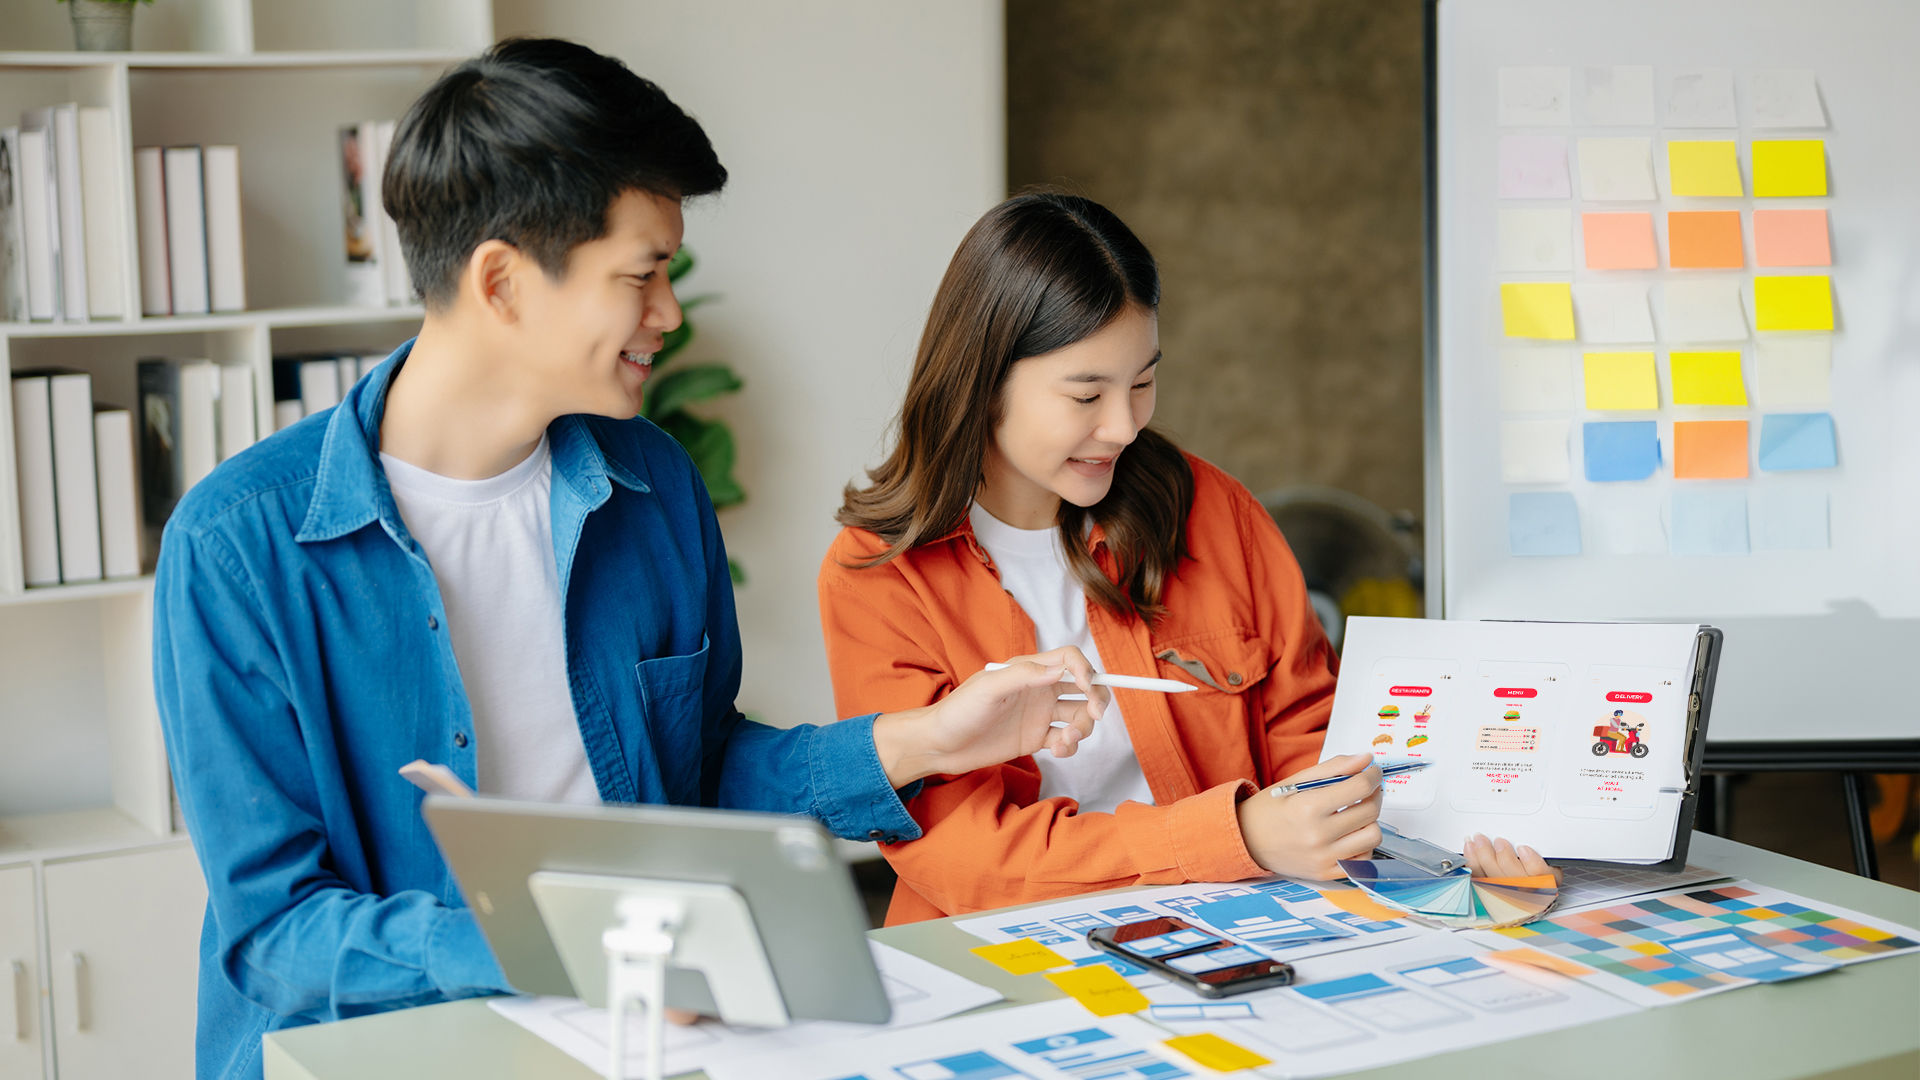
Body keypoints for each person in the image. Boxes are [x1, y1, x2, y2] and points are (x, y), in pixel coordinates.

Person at [152, 42, 1104, 1080]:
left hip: (641, 1034)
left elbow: (698, 776)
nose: (670, 314)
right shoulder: (237, 544)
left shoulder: (651, 483)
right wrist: (562, 951)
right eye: (642, 276)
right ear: (503, 283)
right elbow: (276, 932)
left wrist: (928, 739)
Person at [818, 192, 1551, 924]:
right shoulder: (882, 574)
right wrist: (1236, 837)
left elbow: (1316, 740)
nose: (1124, 426)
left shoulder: (1213, 511)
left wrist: (1450, 863)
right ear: (983, 382)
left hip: (1241, 935)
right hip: (993, 953)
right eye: (1086, 396)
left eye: (1142, 382)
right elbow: (962, 857)